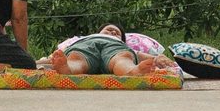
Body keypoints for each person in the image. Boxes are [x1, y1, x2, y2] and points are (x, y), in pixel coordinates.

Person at [47, 23, 182, 78]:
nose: (112, 31)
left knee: (123, 58)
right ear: (98, 32)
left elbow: (142, 55)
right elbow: (50, 59)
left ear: (123, 40)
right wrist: (47, 60)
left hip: (115, 49)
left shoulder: (122, 45)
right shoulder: (84, 39)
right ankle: (67, 69)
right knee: (76, 58)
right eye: (108, 29)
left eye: (116, 32)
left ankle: (132, 71)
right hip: (86, 46)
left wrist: (158, 58)